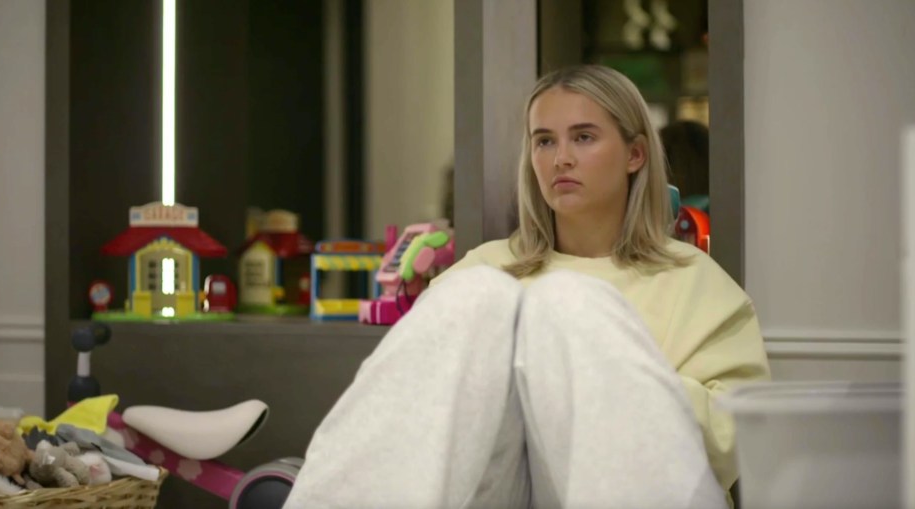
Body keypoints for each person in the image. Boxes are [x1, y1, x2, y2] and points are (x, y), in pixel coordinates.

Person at [284, 65, 769, 509]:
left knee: (569, 304)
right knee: (481, 297)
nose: (561, 159)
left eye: (583, 137)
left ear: (635, 154)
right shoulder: (485, 273)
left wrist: (592, 362)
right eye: (544, 141)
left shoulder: (695, 283)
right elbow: (412, 415)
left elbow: (733, 443)